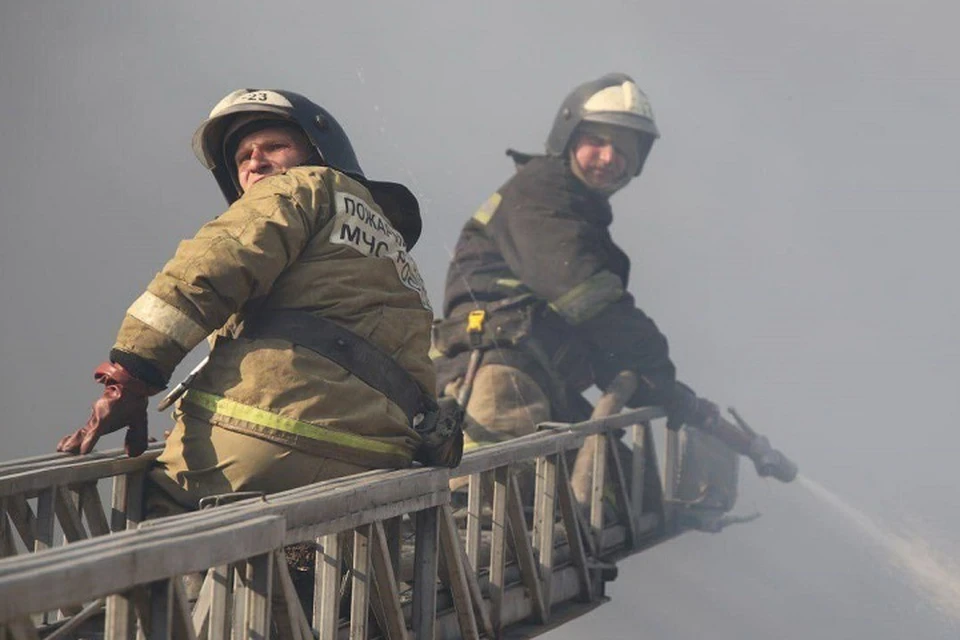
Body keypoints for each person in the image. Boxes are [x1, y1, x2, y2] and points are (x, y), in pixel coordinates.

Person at [57, 88, 460, 518]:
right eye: (243, 157)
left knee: (153, 513)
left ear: (319, 154)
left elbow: (205, 272)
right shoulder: (393, 249)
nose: (255, 163)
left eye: (275, 147)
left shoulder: (300, 187)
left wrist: (129, 378)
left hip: (266, 437)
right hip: (378, 457)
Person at [432, 73, 738, 516]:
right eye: (597, 140)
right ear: (567, 136)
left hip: (543, 381)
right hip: (500, 376)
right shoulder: (540, 195)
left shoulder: (578, 214)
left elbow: (602, 343)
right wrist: (654, 365)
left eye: (625, 151)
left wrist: (664, 391)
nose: (610, 157)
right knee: (490, 519)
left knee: (630, 493)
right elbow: (586, 298)